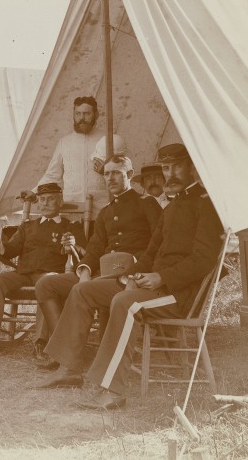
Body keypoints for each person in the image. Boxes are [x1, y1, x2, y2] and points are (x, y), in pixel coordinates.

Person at [38, 144, 224, 412]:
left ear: (192, 167)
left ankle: (113, 391)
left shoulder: (206, 204)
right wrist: (130, 275)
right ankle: (69, 368)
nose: (170, 174)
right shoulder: (173, 206)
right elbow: (151, 253)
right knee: (84, 291)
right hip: (154, 283)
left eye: (177, 167)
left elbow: (203, 260)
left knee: (126, 303)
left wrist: (162, 277)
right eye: (166, 168)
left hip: (179, 293)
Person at [33, 155, 163, 367]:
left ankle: (67, 360)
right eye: (106, 174)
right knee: (46, 284)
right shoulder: (105, 212)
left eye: (116, 173)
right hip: (101, 273)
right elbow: (94, 248)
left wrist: (137, 269)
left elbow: (158, 244)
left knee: (85, 290)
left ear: (129, 175)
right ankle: (66, 350)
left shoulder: (147, 204)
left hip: (130, 275)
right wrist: (84, 271)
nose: (110, 178)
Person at [0, 182, 82, 362]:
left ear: (60, 202)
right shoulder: (28, 226)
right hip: (24, 274)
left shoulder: (71, 226)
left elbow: (83, 252)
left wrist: (73, 245)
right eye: (42, 200)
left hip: (50, 275)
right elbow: (10, 249)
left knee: (47, 284)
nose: (45, 203)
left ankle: (41, 343)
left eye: (51, 199)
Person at [20, 96, 126, 230]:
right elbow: (53, 175)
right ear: (73, 114)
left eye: (87, 113)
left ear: (96, 114)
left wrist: (105, 170)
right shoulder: (64, 142)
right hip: (71, 212)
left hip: (102, 210)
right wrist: (34, 192)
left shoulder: (109, 140)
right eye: (78, 113)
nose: (82, 118)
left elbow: (124, 173)